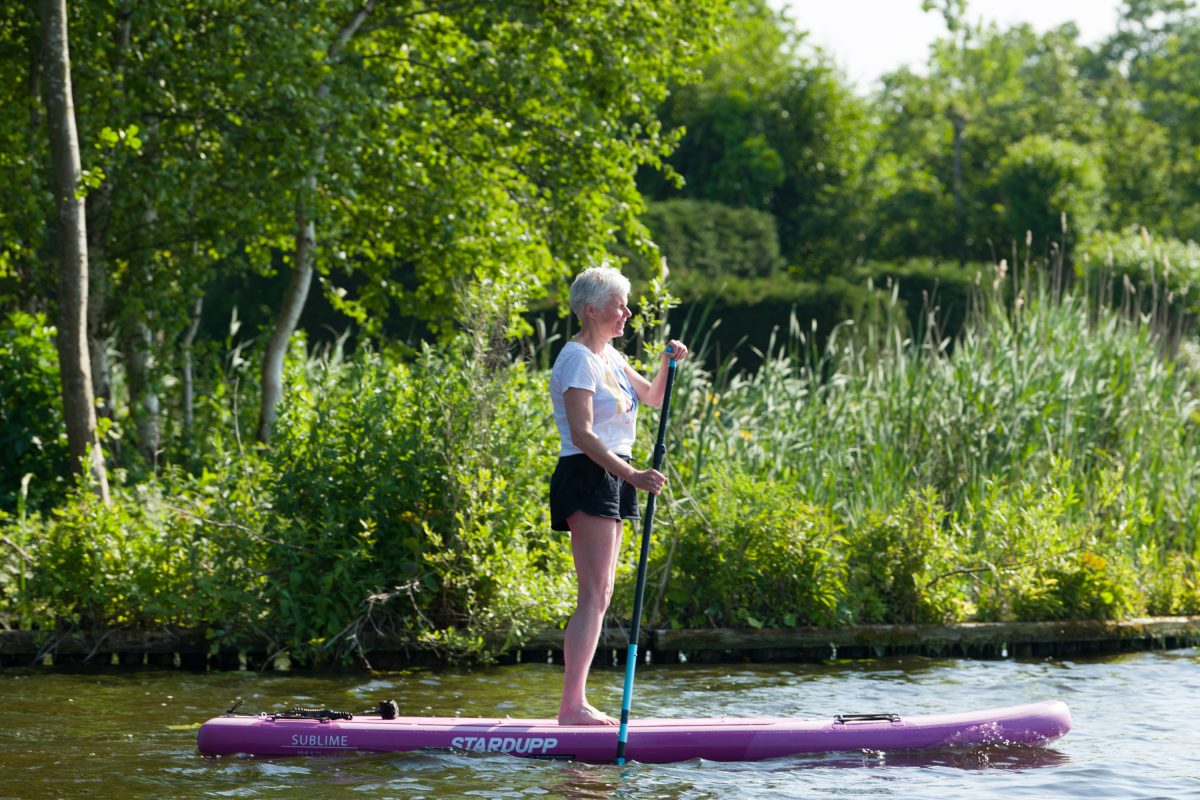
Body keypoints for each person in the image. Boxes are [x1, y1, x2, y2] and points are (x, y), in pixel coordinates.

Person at [548, 265, 688, 726]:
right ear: (591, 310)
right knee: (593, 594)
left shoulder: (608, 356)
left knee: (602, 593)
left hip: (613, 474)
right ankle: (573, 707)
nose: (627, 313)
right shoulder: (578, 359)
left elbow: (651, 397)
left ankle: (576, 705)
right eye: (618, 306)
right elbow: (584, 435)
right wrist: (633, 475)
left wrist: (667, 362)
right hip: (589, 474)